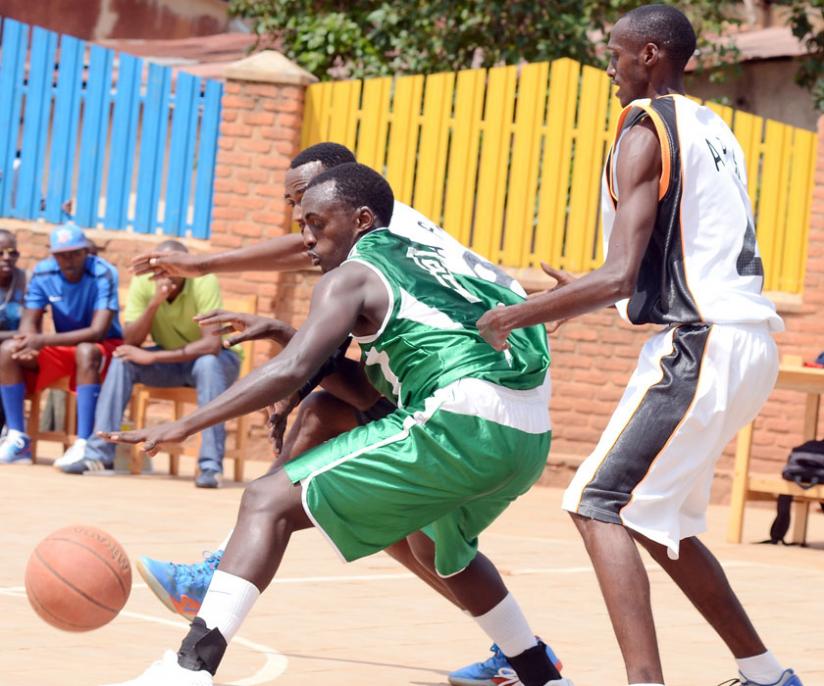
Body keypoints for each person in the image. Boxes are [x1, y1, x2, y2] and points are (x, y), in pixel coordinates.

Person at [100, 163, 569, 686]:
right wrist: (282, 329)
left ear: (363, 219)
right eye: (302, 225)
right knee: (437, 549)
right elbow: (373, 387)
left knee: (267, 500)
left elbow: (293, 369)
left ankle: (187, 670)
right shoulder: (438, 259)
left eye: (316, 224)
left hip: (458, 419)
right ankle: (539, 675)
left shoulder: (353, 275)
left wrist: (186, 424)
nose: (306, 240)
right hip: (527, 437)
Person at [477, 6, 802, 686]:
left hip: (700, 342)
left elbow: (620, 272)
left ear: (650, 54)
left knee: (595, 503)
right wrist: (594, 293)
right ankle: (768, 675)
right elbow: (669, 255)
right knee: (657, 524)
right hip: (744, 342)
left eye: (618, 54)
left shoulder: (643, 129)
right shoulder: (714, 129)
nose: (610, 67)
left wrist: (520, 313)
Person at [58, 240, 241, 487]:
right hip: (173, 359)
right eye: (164, 265)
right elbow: (131, 339)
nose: (170, 271)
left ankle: (210, 467)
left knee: (207, 364)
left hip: (218, 360)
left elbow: (211, 345)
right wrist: (155, 302)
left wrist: (153, 356)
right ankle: (99, 455)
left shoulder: (203, 280)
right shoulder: (143, 281)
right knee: (122, 359)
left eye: (177, 265)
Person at [0, 223, 122, 465]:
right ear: (53, 254)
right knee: (7, 351)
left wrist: (41, 340)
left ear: (86, 251)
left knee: (86, 351)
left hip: (104, 346)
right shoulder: (43, 273)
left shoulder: (103, 272)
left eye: (75, 253)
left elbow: (98, 332)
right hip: (64, 346)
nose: (69, 259)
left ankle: (84, 442)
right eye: (62, 254)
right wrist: (27, 343)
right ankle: (18, 437)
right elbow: (29, 320)